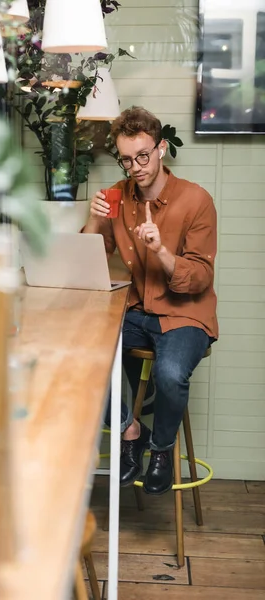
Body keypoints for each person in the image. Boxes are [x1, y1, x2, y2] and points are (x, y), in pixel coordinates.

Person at [83, 107, 218, 495]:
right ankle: (130, 430)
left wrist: (160, 250)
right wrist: (94, 220)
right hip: (137, 313)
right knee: (82, 356)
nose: (135, 167)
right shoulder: (117, 196)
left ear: (160, 149)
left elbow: (200, 277)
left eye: (143, 156)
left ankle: (160, 449)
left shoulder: (196, 200)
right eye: (126, 159)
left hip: (185, 314)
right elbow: (94, 255)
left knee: (170, 374)